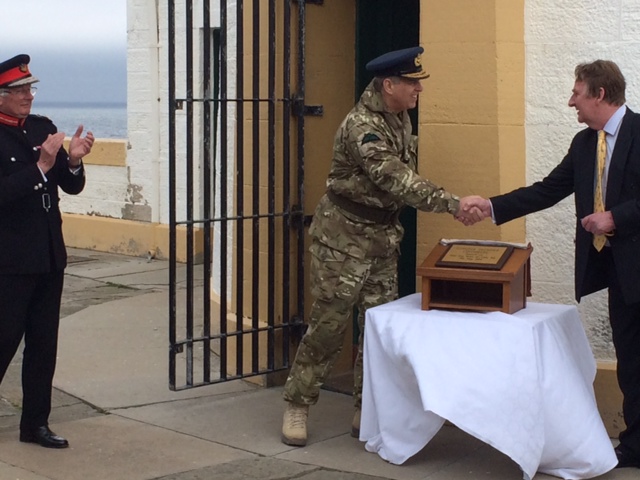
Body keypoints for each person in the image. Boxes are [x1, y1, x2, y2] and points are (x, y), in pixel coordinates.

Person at [281, 46, 481, 446]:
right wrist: (453, 204)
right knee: (329, 326)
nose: (418, 90)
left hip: (382, 241)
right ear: (389, 85)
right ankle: (297, 404)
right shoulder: (362, 126)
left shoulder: (400, 118)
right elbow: (396, 179)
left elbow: (403, 175)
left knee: (377, 329)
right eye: (412, 83)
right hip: (343, 241)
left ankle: (367, 409)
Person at [464, 60, 640, 469]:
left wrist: (616, 218)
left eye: (577, 94)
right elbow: (547, 190)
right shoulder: (584, 144)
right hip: (621, 274)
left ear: (599, 94)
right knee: (631, 358)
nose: (570, 102)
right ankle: (635, 445)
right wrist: (491, 206)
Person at [0, 54, 94, 449]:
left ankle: (35, 424)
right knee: (3, 342)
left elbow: (70, 187)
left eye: (30, 88)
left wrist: (72, 161)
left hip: (48, 256)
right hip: (9, 262)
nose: (28, 96)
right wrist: (40, 166)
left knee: (43, 346)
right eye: (19, 90)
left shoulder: (42, 128)